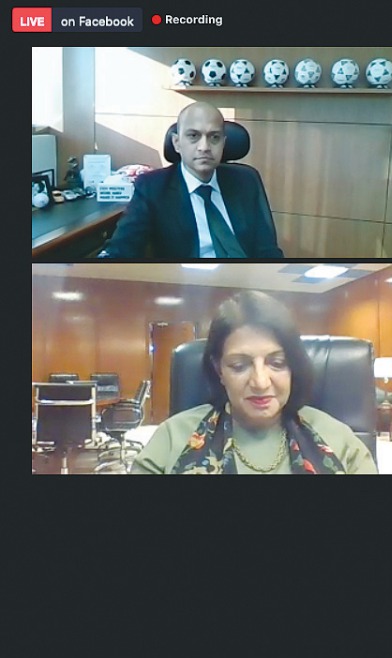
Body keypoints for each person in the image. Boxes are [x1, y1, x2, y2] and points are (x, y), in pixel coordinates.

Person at [130, 290, 376, 474]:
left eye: (277, 363)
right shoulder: (172, 438)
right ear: (219, 369)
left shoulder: (339, 440)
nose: (260, 382)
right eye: (239, 366)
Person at [101, 102, 284, 259]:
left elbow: (267, 250)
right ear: (177, 143)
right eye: (193, 136)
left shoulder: (246, 181)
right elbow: (121, 250)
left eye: (214, 137)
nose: (204, 147)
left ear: (223, 143)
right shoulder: (152, 187)